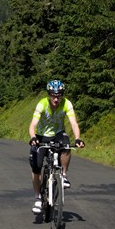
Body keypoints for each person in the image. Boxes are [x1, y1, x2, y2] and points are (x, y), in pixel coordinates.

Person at [28, 80, 84, 214]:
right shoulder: (42, 104)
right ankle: (37, 197)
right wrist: (33, 137)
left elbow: (74, 123)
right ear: (49, 95)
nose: (56, 98)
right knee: (37, 167)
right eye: (53, 95)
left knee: (66, 146)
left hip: (58, 133)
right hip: (41, 136)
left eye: (59, 95)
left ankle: (63, 175)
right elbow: (32, 125)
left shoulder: (66, 104)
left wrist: (77, 138)